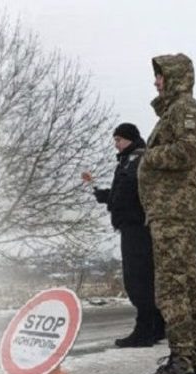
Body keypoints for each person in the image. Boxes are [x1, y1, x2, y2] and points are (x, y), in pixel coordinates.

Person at [138, 53, 196, 374]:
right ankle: (191, 359)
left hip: (174, 212)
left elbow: (188, 150)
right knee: (188, 284)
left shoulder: (186, 109)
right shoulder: (177, 110)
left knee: (172, 287)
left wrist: (146, 156)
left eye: (160, 76)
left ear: (175, 77)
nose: (156, 82)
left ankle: (180, 363)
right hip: (175, 212)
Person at [81, 122, 165, 348]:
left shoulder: (139, 159)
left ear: (129, 138)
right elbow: (123, 193)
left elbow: (133, 193)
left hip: (138, 226)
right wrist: (105, 195)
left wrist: (115, 200)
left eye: (118, 140)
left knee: (138, 280)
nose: (116, 145)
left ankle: (145, 330)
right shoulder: (128, 160)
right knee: (144, 279)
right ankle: (156, 327)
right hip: (132, 225)